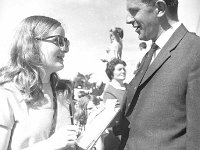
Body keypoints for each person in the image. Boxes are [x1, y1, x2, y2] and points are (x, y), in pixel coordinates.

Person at [118, 0, 200, 149]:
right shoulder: (150, 54)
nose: (127, 20)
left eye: (134, 11)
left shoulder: (195, 51)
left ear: (160, 8)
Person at [0, 15, 79, 150]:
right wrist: (50, 144)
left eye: (66, 42)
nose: (65, 49)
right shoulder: (7, 93)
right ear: (32, 43)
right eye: (58, 41)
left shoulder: (63, 92)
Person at [102, 58, 127, 150]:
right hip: (117, 138)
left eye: (124, 69)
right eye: (119, 69)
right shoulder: (109, 92)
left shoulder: (129, 87)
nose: (123, 71)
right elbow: (112, 120)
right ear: (111, 73)